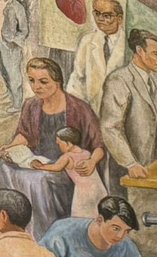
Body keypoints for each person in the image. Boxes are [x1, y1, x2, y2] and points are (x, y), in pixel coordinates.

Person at [0, 57, 105, 239]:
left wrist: (91, 161)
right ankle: (14, 229)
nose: (36, 87)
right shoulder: (31, 105)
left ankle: (42, 235)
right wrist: (10, 147)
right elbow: (24, 135)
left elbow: (98, 146)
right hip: (37, 161)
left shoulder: (79, 108)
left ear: (57, 81)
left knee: (38, 180)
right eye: (32, 81)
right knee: (4, 167)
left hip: (67, 169)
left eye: (43, 81)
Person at [100, 28, 157, 192]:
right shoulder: (119, 80)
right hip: (125, 169)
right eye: (156, 54)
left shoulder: (155, 81)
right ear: (139, 51)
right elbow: (110, 127)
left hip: (148, 167)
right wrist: (130, 163)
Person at [65, 0, 127, 113]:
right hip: (92, 111)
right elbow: (77, 78)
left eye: (107, 15)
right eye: (97, 14)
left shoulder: (128, 44)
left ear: (119, 18)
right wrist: (76, 109)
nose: (100, 19)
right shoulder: (87, 41)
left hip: (120, 112)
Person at [31, 127, 108, 217]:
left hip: (83, 195)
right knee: (98, 216)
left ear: (68, 143)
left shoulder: (67, 157)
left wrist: (40, 166)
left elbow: (56, 167)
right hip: (99, 190)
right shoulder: (87, 153)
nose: (58, 146)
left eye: (59, 143)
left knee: (81, 220)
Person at [0, 0, 27, 113]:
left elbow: (24, 30)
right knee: (4, 73)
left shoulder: (16, 6)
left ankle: (17, 104)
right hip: (1, 42)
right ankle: (11, 99)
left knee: (13, 74)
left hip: (10, 46)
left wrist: (13, 40)